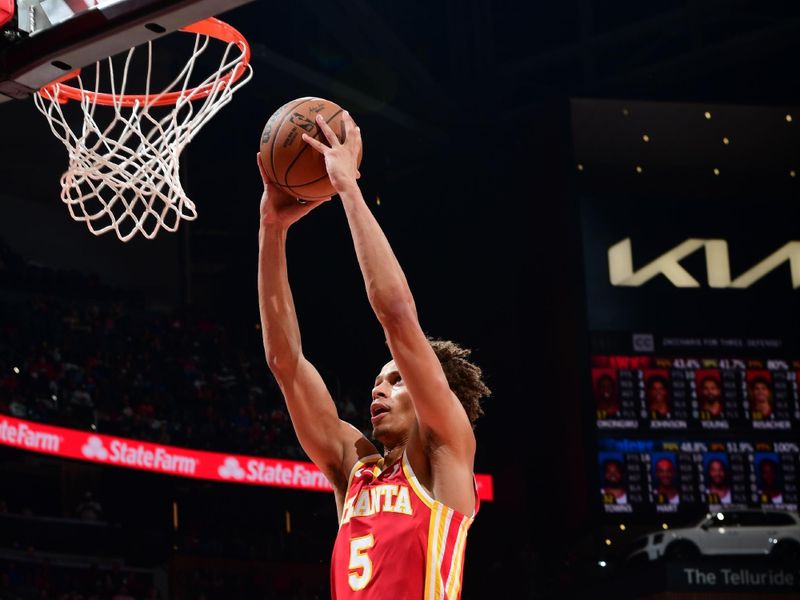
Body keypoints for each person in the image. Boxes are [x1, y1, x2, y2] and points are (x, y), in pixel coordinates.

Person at [257, 111, 490, 599]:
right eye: (380, 379)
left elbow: (398, 318)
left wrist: (349, 191)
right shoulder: (353, 467)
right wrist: (272, 229)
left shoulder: (446, 452)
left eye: (396, 379)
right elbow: (286, 364)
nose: (378, 386)